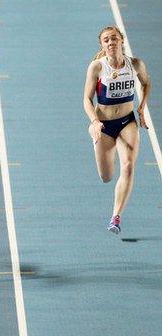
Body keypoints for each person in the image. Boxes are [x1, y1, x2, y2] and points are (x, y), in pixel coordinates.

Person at [83, 25, 150, 234]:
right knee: (106, 176)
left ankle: (115, 217)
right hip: (104, 125)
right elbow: (86, 99)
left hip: (127, 122)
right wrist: (94, 121)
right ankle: (95, 138)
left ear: (122, 40)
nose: (111, 43)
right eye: (106, 40)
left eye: (114, 38)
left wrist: (141, 108)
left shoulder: (135, 64)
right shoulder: (97, 67)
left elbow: (146, 84)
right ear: (102, 45)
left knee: (129, 166)